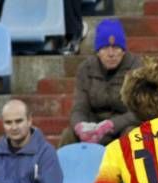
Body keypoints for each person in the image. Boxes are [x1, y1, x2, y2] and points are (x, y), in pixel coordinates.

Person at [60, 19, 143, 147]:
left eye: (116, 47)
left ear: (123, 50)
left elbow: (140, 111)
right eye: (105, 48)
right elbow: (79, 108)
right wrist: (80, 126)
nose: (111, 54)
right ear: (97, 51)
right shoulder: (86, 68)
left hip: (122, 126)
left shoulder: (136, 67)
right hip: (93, 127)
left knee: (132, 134)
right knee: (68, 134)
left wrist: (111, 125)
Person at [0, 100, 63, 183]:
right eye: (8, 122)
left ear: (29, 121)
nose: (14, 127)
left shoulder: (46, 153)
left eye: (19, 121)